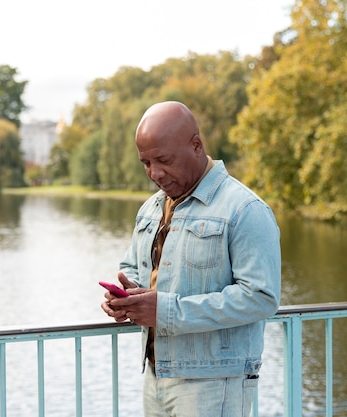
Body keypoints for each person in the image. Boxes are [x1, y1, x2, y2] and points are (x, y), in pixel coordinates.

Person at [101, 101, 281, 417]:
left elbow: (261, 298)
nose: (154, 173)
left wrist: (166, 310)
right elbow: (132, 267)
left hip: (214, 383)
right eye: (145, 163)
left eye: (163, 160)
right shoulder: (151, 208)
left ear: (196, 146)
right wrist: (126, 299)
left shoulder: (245, 210)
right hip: (156, 377)